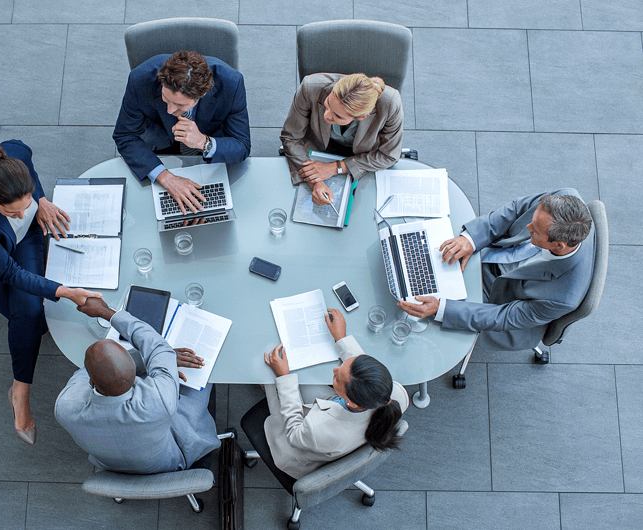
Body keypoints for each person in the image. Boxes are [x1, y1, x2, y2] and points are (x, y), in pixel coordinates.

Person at [0, 140, 101, 445]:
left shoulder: (15, 156)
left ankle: (20, 382)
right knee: (30, 313)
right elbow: (10, 273)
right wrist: (66, 292)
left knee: (34, 314)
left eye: (24, 205)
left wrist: (40, 201)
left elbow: (27, 165)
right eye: (12, 212)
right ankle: (21, 390)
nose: (20, 214)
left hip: (25, 239)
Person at [399, 189, 595, 352]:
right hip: (495, 252)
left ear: (559, 245)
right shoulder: (563, 197)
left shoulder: (563, 297)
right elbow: (516, 210)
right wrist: (471, 239)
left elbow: (504, 316)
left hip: (502, 299)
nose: (527, 228)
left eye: (535, 230)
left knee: (419, 315)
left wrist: (442, 309)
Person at [54, 298, 220, 473]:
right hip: (169, 461)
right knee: (207, 370)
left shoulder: (64, 406)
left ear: (91, 382)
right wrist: (107, 312)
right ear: (135, 373)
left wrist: (156, 361)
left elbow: (88, 371)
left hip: (111, 466)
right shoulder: (158, 400)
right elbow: (157, 347)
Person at [248, 308, 408, 480]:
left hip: (297, 444)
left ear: (352, 402)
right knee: (302, 379)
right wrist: (341, 338)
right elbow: (362, 371)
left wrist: (284, 378)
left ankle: (270, 388)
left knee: (264, 367)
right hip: (334, 412)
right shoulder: (392, 394)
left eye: (338, 377)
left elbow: (294, 434)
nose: (335, 369)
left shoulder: (318, 429)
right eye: (344, 365)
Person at [113, 50, 251, 215]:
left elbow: (242, 145)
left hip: (211, 156)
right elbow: (125, 135)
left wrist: (204, 142)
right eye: (166, 99)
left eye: (180, 105)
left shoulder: (232, 83)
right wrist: (165, 178)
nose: (170, 110)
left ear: (203, 94)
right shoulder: (139, 79)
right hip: (160, 148)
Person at [280, 73, 403, 206]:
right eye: (327, 104)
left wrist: (335, 168)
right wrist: (315, 181)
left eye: (337, 116)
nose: (326, 116)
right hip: (316, 150)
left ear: (362, 116)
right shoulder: (310, 87)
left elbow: (389, 156)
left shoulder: (390, 104)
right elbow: (291, 137)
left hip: (362, 158)